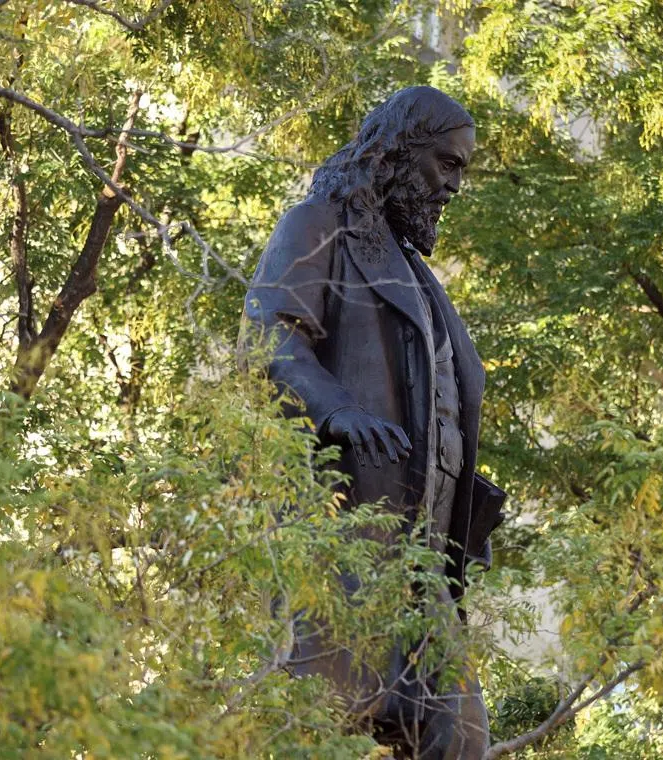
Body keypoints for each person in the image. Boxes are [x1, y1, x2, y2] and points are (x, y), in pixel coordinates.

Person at [238, 86, 506, 759]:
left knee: (461, 738)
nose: (454, 186)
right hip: (342, 546)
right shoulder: (317, 226)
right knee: (315, 730)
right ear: (396, 154)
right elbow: (269, 338)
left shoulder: (415, 271)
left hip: (420, 569)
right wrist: (335, 406)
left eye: (462, 170)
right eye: (448, 164)